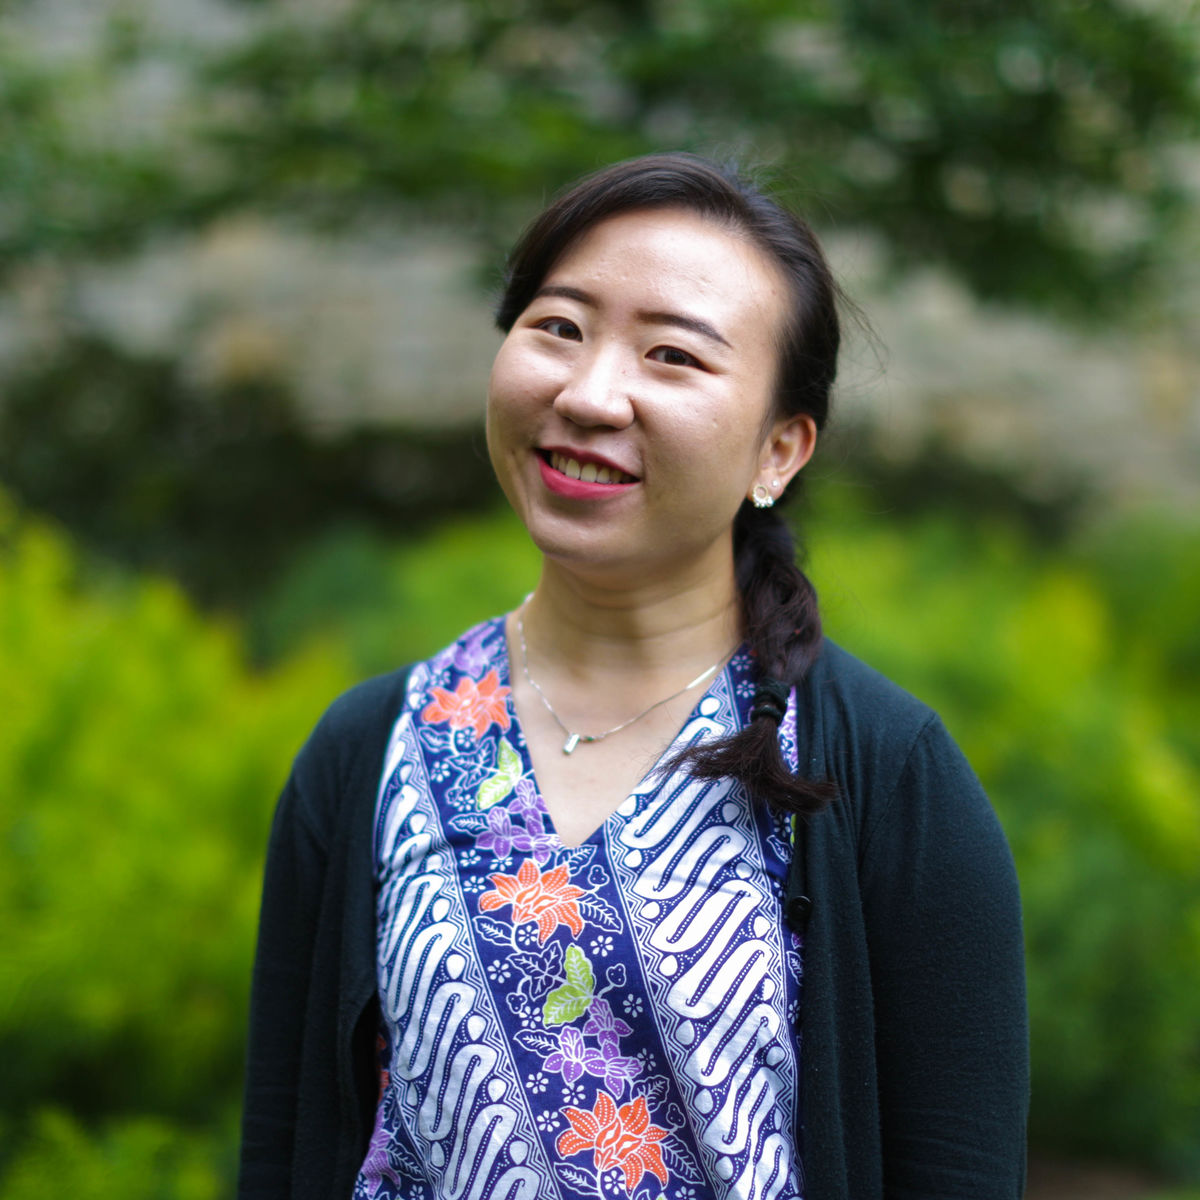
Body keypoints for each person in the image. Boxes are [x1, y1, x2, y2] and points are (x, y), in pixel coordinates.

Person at [238, 153, 1028, 1200]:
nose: (590, 393)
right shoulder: (372, 748)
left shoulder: (879, 774)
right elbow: (285, 1147)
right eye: (559, 328)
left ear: (780, 451)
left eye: (672, 356)